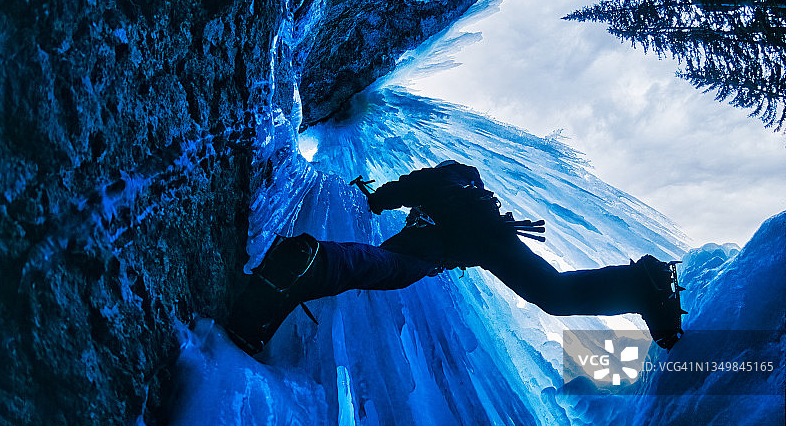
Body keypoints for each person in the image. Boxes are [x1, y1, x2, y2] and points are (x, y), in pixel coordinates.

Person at [225, 161, 685, 355]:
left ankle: (316, 261)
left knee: (391, 267)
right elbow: (423, 191)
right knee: (555, 292)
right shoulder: (471, 191)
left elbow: (402, 190)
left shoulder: (436, 182)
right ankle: (640, 284)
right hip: (483, 239)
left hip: (440, 240)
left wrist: (380, 198)